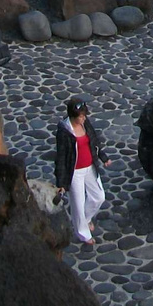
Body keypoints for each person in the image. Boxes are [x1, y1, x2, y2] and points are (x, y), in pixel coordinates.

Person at [54, 97, 106, 243]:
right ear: (72, 116)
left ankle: (86, 218)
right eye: (81, 116)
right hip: (74, 171)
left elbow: (94, 141)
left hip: (89, 167)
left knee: (99, 196)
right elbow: (62, 157)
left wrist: (102, 156)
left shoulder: (85, 123)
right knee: (77, 203)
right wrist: (62, 182)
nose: (84, 118)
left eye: (84, 115)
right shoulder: (64, 132)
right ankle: (83, 233)